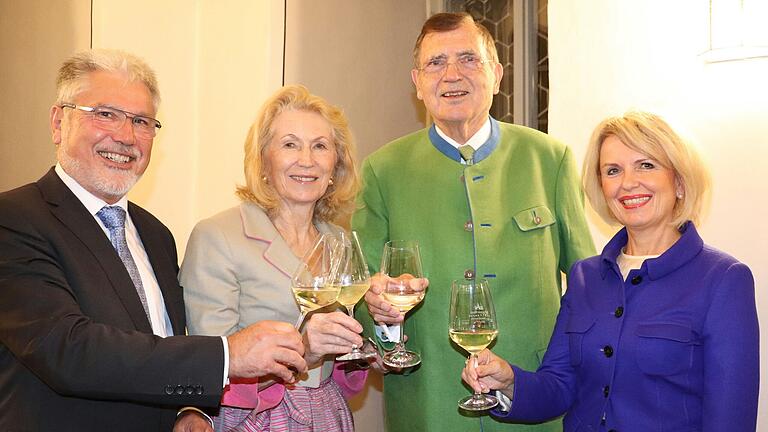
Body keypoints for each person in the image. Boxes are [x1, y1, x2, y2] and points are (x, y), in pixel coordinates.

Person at [0, 49, 308, 431]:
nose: (126, 136)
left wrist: (187, 410)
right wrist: (228, 356)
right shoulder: (14, 219)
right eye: (105, 114)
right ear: (59, 122)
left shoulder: (155, 234)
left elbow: (159, 344)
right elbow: (68, 350)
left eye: (142, 121)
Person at [352, 12, 595, 432]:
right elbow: (360, 297)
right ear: (417, 81)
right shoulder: (382, 171)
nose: (451, 75)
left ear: (497, 74)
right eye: (435, 63)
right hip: (428, 409)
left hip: (535, 408)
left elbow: (589, 287)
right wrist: (379, 314)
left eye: (469, 59)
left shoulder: (550, 160)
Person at [463, 111, 760, 431]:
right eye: (613, 170)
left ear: (678, 180)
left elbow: (731, 419)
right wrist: (508, 381)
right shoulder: (584, 277)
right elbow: (559, 387)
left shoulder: (723, 279)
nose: (628, 183)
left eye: (646, 165)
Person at [177, 84, 368, 432]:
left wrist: (377, 332)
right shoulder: (217, 236)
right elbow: (210, 368)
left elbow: (345, 362)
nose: (307, 160)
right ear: (263, 159)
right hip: (259, 420)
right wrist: (304, 351)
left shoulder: (338, 239)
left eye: (320, 146)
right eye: (290, 144)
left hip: (329, 415)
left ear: (335, 164)